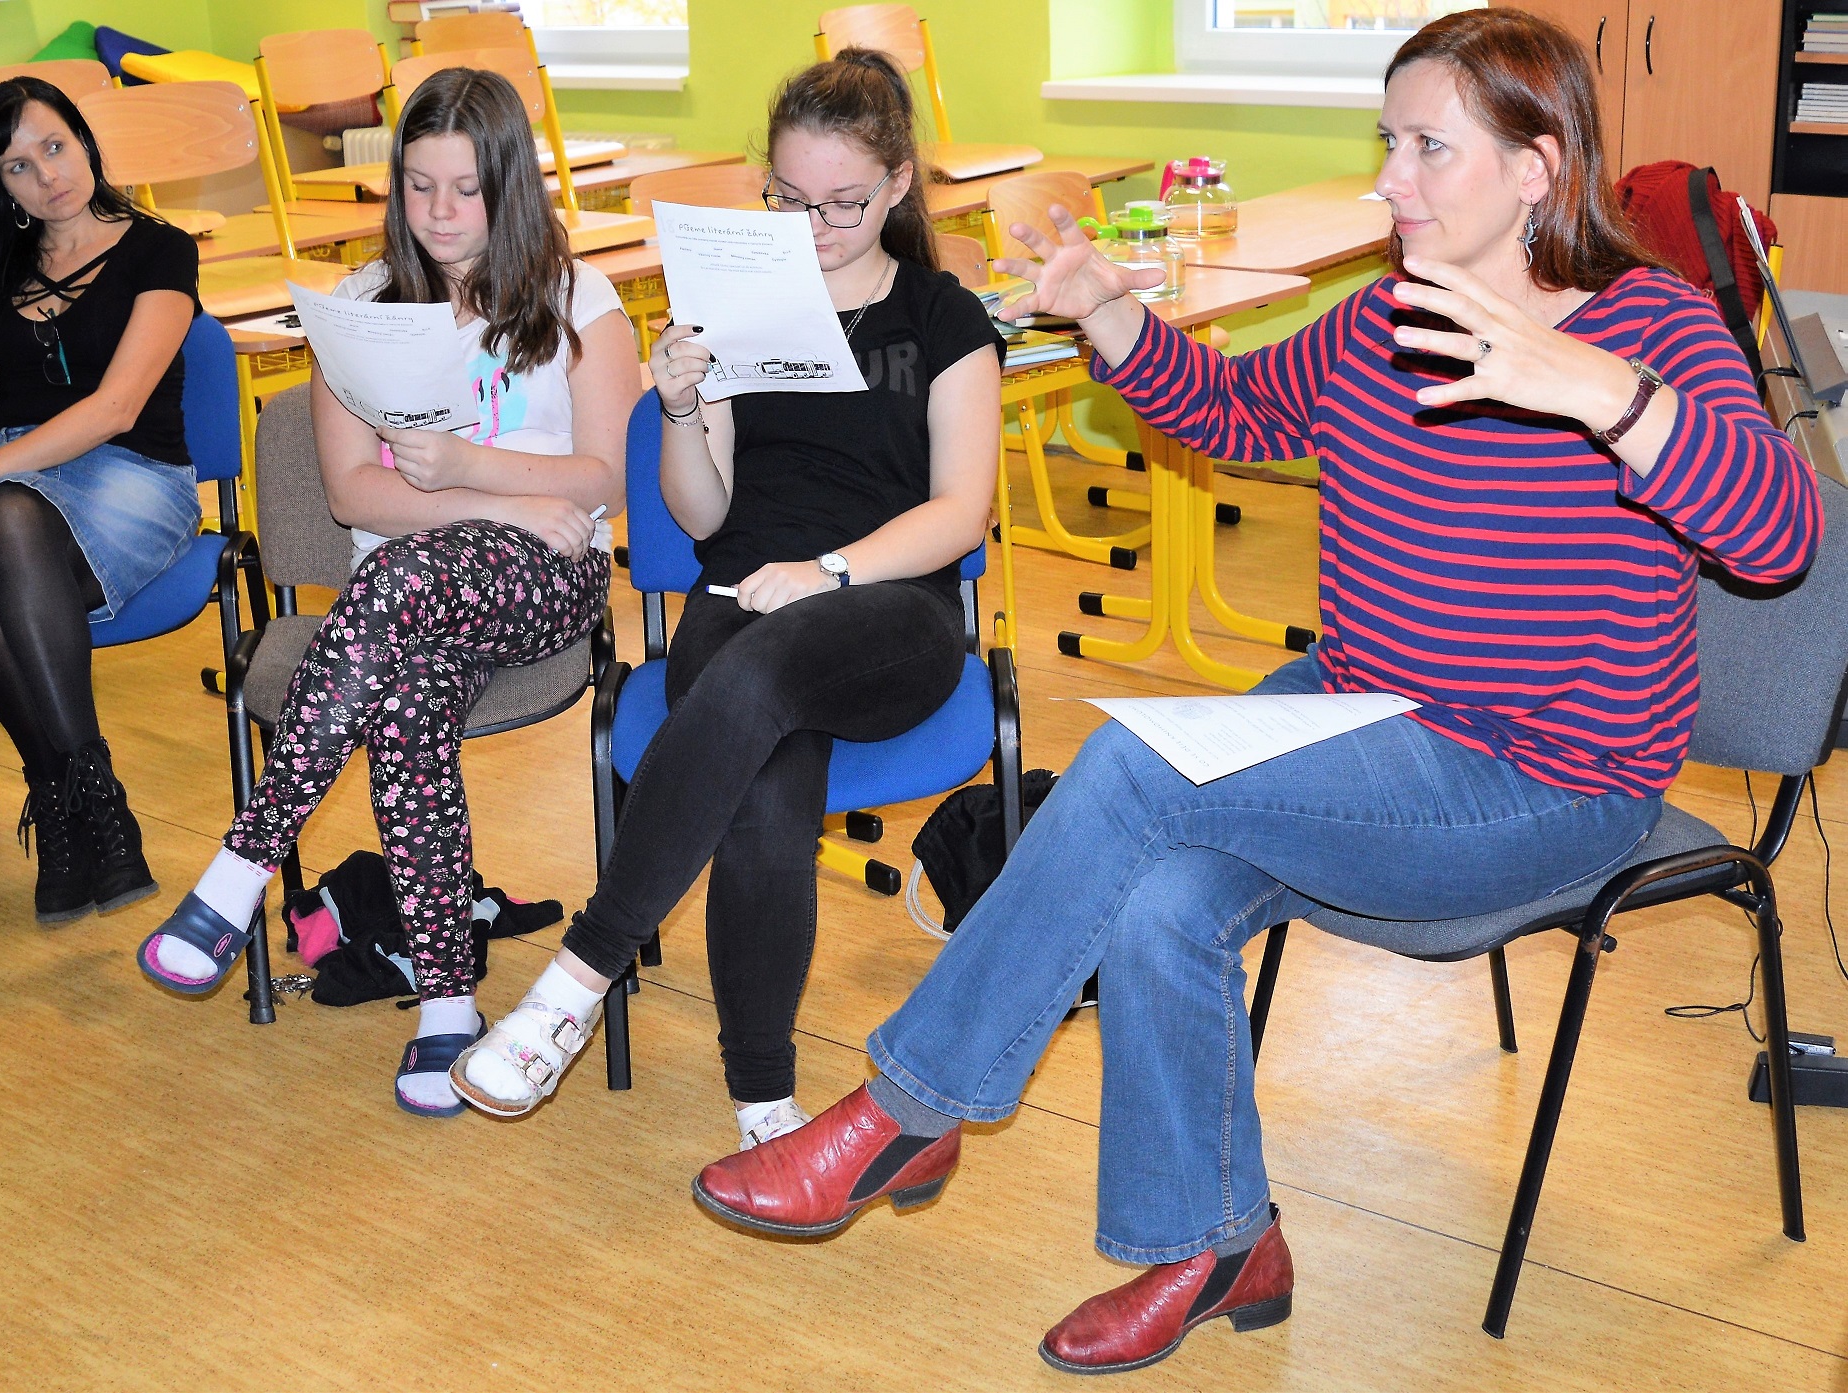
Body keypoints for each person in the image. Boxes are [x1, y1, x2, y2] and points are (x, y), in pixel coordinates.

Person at [686, 8, 1824, 1376]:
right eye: (1386, 142)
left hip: (1543, 782)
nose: (1389, 180)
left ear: (1536, 167)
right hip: (1352, 725)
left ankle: (905, 1110)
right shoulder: (1388, 316)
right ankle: (1218, 1246)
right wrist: (1110, 312)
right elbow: (1234, 410)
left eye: (1426, 148)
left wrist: (1601, 394)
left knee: (1136, 768)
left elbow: (1779, 538)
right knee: (1160, 896)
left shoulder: (1654, 325)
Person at [444, 48, 1004, 1152]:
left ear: (898, 183)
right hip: (739, 590)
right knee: (766, 775)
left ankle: (576, 978)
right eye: (789, 198)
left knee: (762, 667)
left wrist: (829, 573)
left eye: (844, 202)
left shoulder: (944, 319)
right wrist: (682, 407)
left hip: (891, 610)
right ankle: (764, 1103)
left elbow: (959, 513)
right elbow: (702, 514)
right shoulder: (739, 306)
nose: (815, 225)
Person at [134, 66, 638, 1119]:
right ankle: (447, 1003)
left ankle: (244, 863)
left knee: (398, 583)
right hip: (407, 591)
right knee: (405, 697)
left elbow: (606, 478)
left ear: (510, 185)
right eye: (418, 186)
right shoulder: (359, 310)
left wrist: (469, 470)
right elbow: (351, 491)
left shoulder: (578, 297)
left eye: (467, 189)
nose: (441, 213)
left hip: (545, 578)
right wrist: (498, 500)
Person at [0, 78, 203, 923]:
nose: (47, 176)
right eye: (18, 166)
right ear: (0, 186)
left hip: (135, 475)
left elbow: (116, 408)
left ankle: (64, 799)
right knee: (1, 544)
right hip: (14, 479)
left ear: (84, 142)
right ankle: (94, 800)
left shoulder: (159, 249)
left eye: (55, 147)